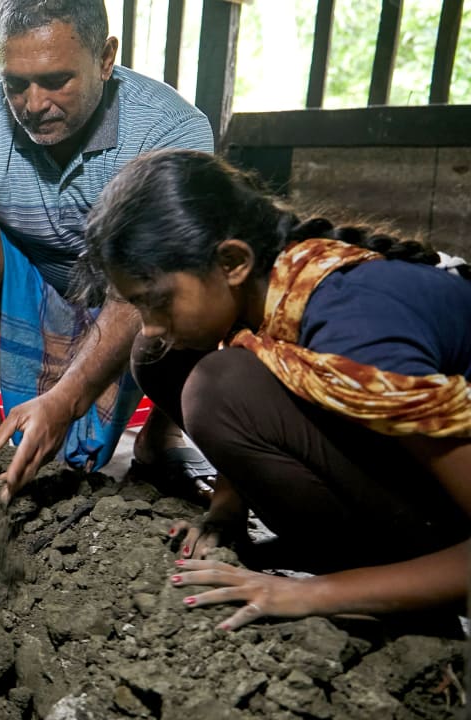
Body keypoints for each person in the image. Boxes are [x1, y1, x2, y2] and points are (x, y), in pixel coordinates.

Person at [83, 148, 470, 632]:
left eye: (157, 301)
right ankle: (354, 556)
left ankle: (389, 589)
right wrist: (225, 511)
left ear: (232, 261)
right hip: (422, 499)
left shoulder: (355, 330)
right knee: (159, 354)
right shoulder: (277, 284)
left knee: (219, 387)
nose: (153, 323)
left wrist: (309, 593)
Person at [0, 0, 215, 500]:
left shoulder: (169, 131)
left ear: (106, 59)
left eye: (57, 81)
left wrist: (65, 401)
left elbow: (151, 277)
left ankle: (163, 431)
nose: (34, 104)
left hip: (131, 286)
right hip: (38, 277)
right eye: (16, 83)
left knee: (197, 260)